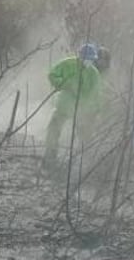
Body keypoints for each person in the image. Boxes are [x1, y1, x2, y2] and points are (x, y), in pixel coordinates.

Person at [43, 43, 110, 172]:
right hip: (64, 105)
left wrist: (95, 111)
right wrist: (65, 84)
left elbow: (95, 94)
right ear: (79, 56)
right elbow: (52, 75)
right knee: (54, 128)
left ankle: (84, 163)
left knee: (85, 136)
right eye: (87, 58)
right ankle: (50, 156)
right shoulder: (67, 64)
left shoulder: (94, 73)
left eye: (91, 59)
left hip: (82, 110)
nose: (88, 61)